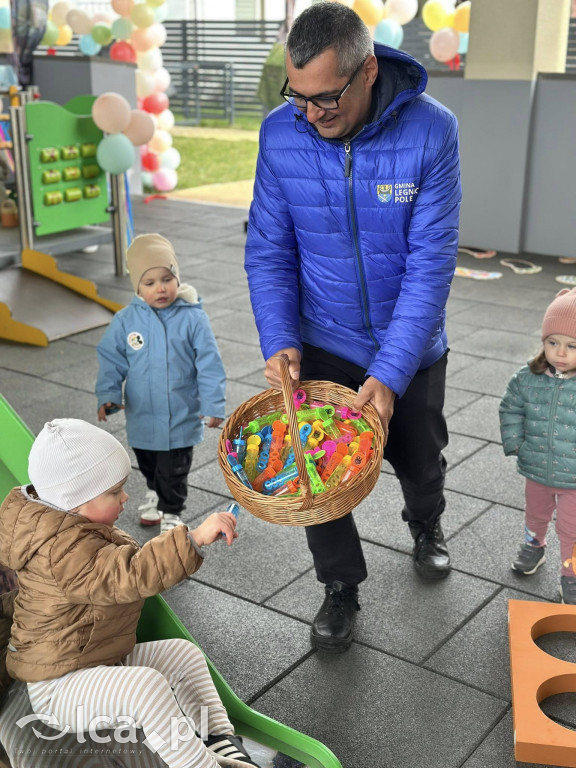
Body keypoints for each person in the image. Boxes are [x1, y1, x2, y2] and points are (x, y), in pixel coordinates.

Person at [244, 2, 461, 653]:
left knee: (420, 459)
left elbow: (430, 267)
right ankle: (341, 585)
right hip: (322, 336)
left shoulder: (432, 132)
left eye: (327, 97)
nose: (310, 113)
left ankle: (426, 526)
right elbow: (269, 249)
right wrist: (280, 339)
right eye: (298, 95)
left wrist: (389, 375)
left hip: (413, 344)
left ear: (368, 70)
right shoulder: (280, 135)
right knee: (317, 476)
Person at [0, 418, 261, 768]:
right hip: (59, 688)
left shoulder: (71, 527)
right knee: (145, 687)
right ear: (74, 501)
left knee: (183, 655)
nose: (125, 497)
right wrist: (193, 539)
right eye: (113, 492)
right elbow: (130, 573)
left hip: (90, 661)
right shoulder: (62, 552)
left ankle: (219, 738)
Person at [96, 233, 226, 534]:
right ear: (137, 288)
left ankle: (172, 510)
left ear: (177, 278)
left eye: (167, 278)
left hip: (181, 413)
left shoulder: (193, 318)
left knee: (175, 468)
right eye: (150, 282)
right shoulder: (126, 320)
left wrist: (213, 404)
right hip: (142, 413)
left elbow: (209, 363)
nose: (161, 288)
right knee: (149, 463)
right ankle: (155, 492)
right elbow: (111, 359)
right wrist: (108, 394)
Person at [500, 289, 576, 605]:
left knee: (572, 529)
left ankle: (571, 574)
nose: (560, 352)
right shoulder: (528, 377)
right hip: (538, 468)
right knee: (536, 514)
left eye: (572, 345)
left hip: (573, 478)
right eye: (552, 342)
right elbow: (511, 407)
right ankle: (535, 545)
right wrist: (515, 442)